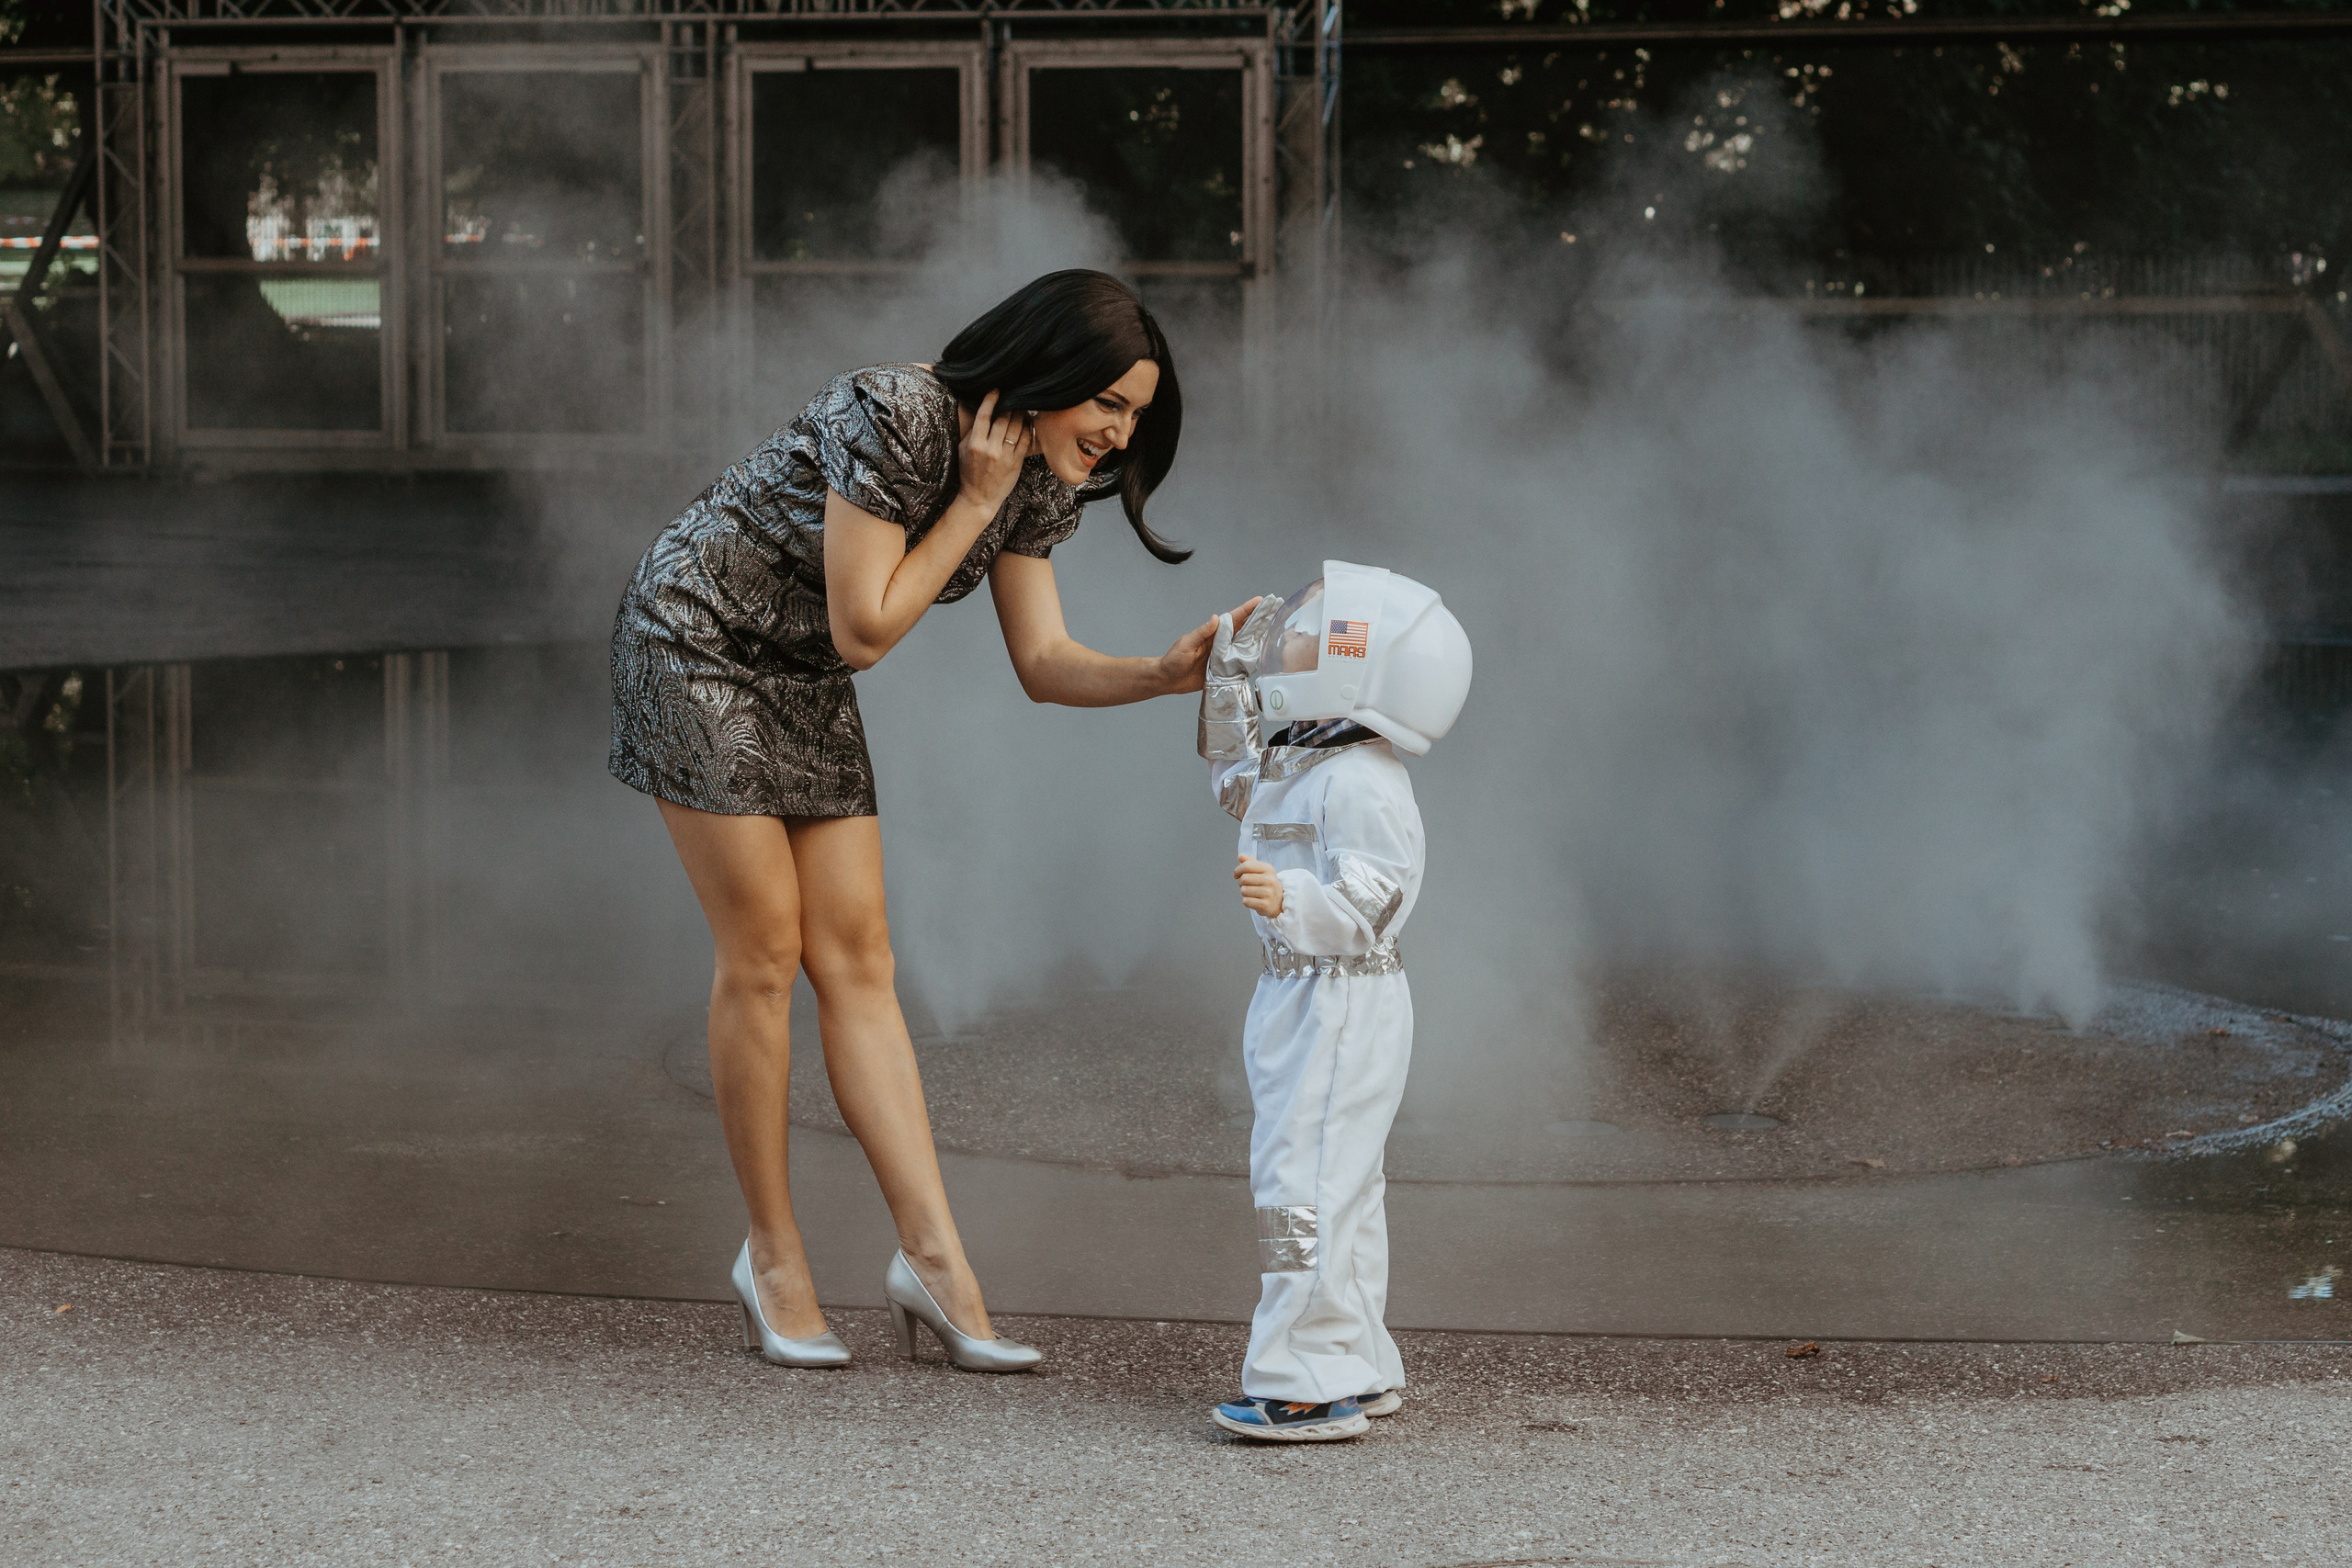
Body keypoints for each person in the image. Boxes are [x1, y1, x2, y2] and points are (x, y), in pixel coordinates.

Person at [609, 270, 1254, 1371]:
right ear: (1039, 375)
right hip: (693, 637)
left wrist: (1163, 673)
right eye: (1107, 401)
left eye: (1137, 414)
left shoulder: (1044, 477)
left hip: (801, 675)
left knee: (861, 956)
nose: (1117, 432)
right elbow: (866, 628)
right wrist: (969, 499)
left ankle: (935, 1265)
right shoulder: (895, 413)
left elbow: (1043, 666)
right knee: (765, 954)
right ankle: (772, 1263)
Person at [1195, 561, 1473, 1438]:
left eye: (1315, 631)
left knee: (1302, 1186)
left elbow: (1380, 896)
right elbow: (1235, 778)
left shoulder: (1363, 779)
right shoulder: (1310, 753)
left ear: (1361, 666)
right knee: (1340, 1183)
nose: (1292, 638)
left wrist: (1294, 902)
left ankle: (1305, 1379)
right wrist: (1228, 673)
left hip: (1338, 1000)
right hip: (1299, 996)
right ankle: (1355, 1358)